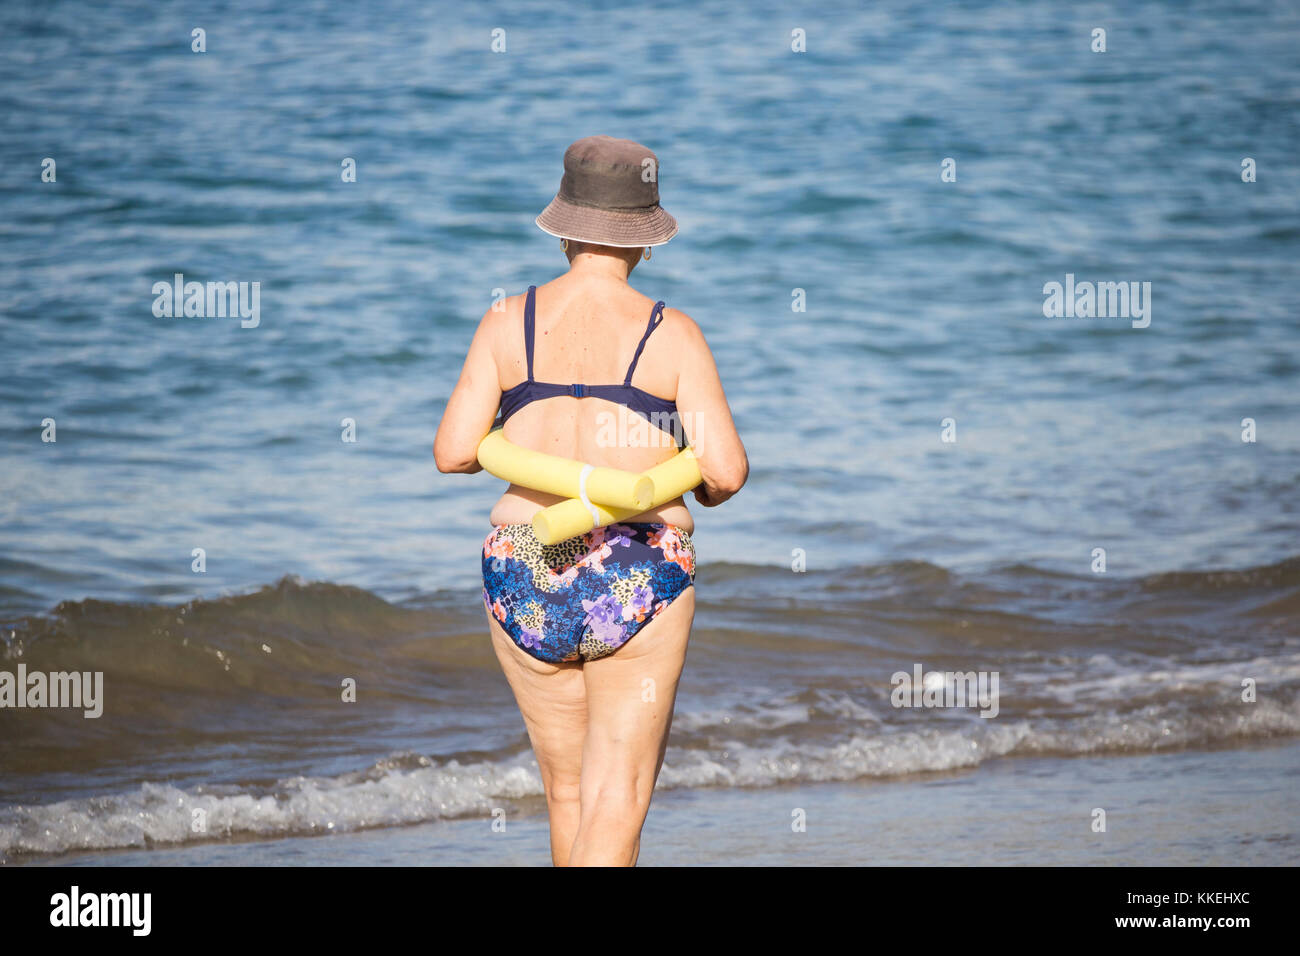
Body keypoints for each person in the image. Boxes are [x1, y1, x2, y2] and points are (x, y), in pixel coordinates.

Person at [434, 135, 748, 866]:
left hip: (524, 563)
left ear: (567, 226)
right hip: (634, 570)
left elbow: (452, 450)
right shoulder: (672, 333)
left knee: (568, 795)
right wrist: (673, 474)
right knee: (618, 796)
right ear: (645, 240)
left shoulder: (506, 320)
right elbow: (726, 471)